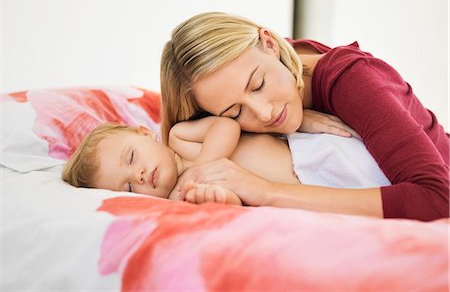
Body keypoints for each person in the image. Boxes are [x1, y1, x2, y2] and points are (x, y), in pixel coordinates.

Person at [159, 11, 449, 221]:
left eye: (258, 85)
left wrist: (266, 191)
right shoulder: (267, 65)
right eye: (235, 112)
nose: (264, 113)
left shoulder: (352, 79)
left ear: (270, 44)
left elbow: (438, 199)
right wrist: (296, 123)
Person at [61, 116, 391, 206]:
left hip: (314, 155)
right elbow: (236, 199)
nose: (141, 173)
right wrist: (216, 196)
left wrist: (204, 165)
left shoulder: (180, 138)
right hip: (311, 192)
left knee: (404, 180)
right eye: (129, 186)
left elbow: (227, 125)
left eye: (132, 157)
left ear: (144, 133)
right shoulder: (181, 199)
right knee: (381, 204)